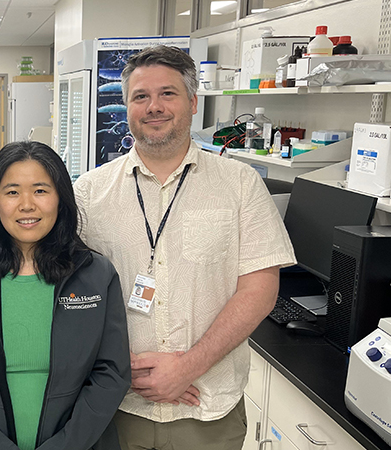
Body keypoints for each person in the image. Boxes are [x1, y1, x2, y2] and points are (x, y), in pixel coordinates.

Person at [74, 45, 296, 450]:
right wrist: (120, 367)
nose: (153, 106)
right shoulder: (89, 193)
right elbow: (67, 291)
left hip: (208, 408)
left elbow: (260, 289)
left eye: (168, 94)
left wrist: (187, 367)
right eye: (140, 96)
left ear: (193, 102)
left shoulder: (241, 185)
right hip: (116, 406)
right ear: (127, 106)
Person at [0, 141, 131, 450]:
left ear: (61, 199)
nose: (26, 205)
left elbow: (111, 373)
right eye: (12, 192)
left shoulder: (95, 275)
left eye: (40, 190)